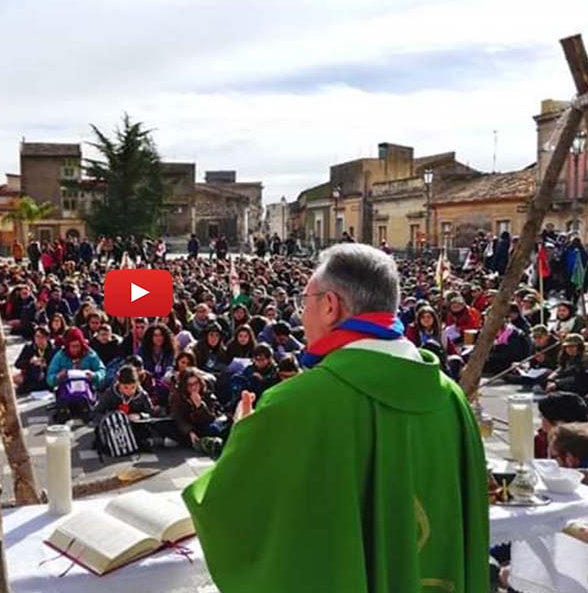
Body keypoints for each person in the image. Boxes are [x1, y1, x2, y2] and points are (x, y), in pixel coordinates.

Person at [182, 243, 488, 592]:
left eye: (305, 302)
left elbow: (230, 512)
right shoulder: (452, 398)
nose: (301, 314)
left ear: (330, 306)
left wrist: (244, 433)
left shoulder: (293, 403)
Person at [13, 325, 55, 396]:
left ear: (47, 338)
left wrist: (45, 365)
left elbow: (56, 366)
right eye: (37, 337)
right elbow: (17, 364)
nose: (39, 340)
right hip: (31, 373)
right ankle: (35, 386)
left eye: (42, 337)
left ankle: (33, 387)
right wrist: (30, 361)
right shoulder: (29, 347)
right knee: (15, 378)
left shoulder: (53, 349)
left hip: (46, 374)